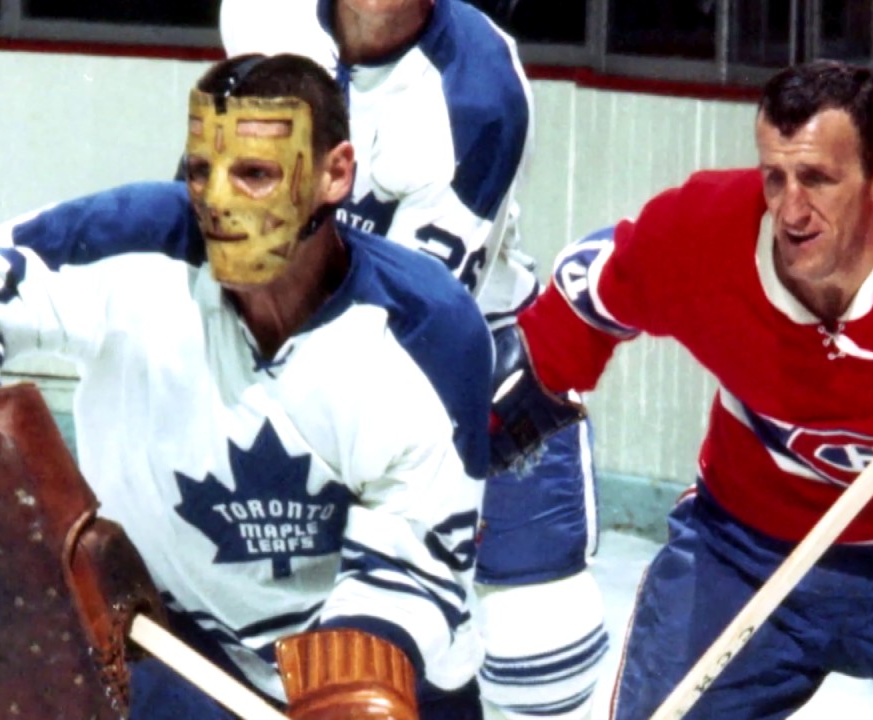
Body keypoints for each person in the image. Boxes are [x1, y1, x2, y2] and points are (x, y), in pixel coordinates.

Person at [0, 52, 493, 720]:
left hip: (397, 680)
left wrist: (352, 699)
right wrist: (23, 529)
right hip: (172, 648)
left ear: (336, 173)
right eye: (200, 170)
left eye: (253, 173)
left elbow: (413, 567)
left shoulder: (427, 333)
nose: (216, 201)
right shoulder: (132, 243)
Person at [490, 59, 873, 719]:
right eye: (775, 176)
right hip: (747, 552)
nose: (790, 210)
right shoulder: (702, 236)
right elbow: (583, 305)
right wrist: (500, 415)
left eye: (816, 179)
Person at [220, 2, 610, 718]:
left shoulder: (476, 93)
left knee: (540, 662)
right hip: (277, 331)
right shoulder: (259, 12)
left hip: (454, 355)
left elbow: (411, 323)